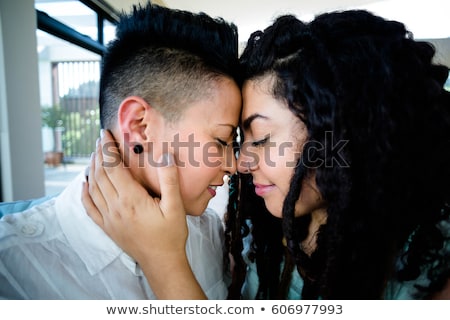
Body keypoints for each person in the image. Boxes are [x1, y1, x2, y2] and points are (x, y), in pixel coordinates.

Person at [83, 10, 450, 299]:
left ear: (343, 131)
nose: (240, 163)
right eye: (239, 140)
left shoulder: (432, 268)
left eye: (260, 139)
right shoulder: (251, 238)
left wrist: (164, 263)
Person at [0, 2, 241, 299]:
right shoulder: (11, 265)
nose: (234, 164)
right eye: (220, 141)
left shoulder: (210, 234)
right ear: (140, 125)